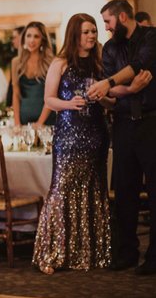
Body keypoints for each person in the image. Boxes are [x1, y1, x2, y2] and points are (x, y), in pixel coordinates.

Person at [88, 0, 156, 275]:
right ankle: (126, 253)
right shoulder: (111, 48)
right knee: (124, 192)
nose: (106, 29)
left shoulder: (155, 36)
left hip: (154, 122)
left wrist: (112, 84)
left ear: (123, 17)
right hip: (123, 124)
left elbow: (138, 65)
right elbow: (111, 92)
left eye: (108, 22)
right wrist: (127, 87)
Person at [32, 14, 113, 274]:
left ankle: (90, 253)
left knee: (93, 189)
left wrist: (103, 99)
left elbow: (112, 102)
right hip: (68, 135)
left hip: (96, 134)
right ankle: (52, 253)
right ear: (75, 35)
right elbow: (49, 100)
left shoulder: (101, 63)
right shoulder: (61, 62)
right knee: (62, 189)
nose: (92, 36)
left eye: (94, 31)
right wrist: (70, 104)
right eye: (86, 32)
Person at [11, 22, 55, 127]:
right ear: (24, 38)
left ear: (42, 40)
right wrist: (17, 123)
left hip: (47, 121)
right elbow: (16, 94)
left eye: (36, 36)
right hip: (23, 120)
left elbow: (52, 95)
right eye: (28, 36)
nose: (32, 40)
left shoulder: (51, 62)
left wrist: (40, 123)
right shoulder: (16, 62)